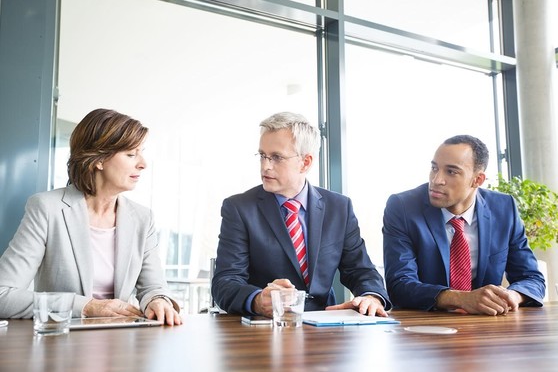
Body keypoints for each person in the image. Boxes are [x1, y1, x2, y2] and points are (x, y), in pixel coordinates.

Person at [0, 108, 182, 325]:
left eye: (141, 152)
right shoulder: (47, 208)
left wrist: (158, 300)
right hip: (61, 344)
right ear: (99, 160)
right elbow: (3, 294)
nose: (143, 163)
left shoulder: (143, 218)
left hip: (122, 346)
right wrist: (87, 307)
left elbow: (153, 287)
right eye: (131, 154)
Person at [212, 112, 391, 318]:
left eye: (276, 157)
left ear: (305, 162)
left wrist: (371, 296)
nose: (265, 166)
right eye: (262, 155)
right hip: (266, 329)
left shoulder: (339, 207)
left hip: (325, 326)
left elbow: (362, 271)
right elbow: (225, 282)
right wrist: (258, 300)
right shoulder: (239, 208)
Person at [382, 134, 546, 316]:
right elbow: (399, 284)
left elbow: (531, 278)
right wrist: (461, 299)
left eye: (451, 171)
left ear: (477, 180)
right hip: (423, 326)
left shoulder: (503, 208)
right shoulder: (403, 207)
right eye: (434, 168)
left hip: (487, 326)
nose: (436, 180)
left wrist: (511, 296)